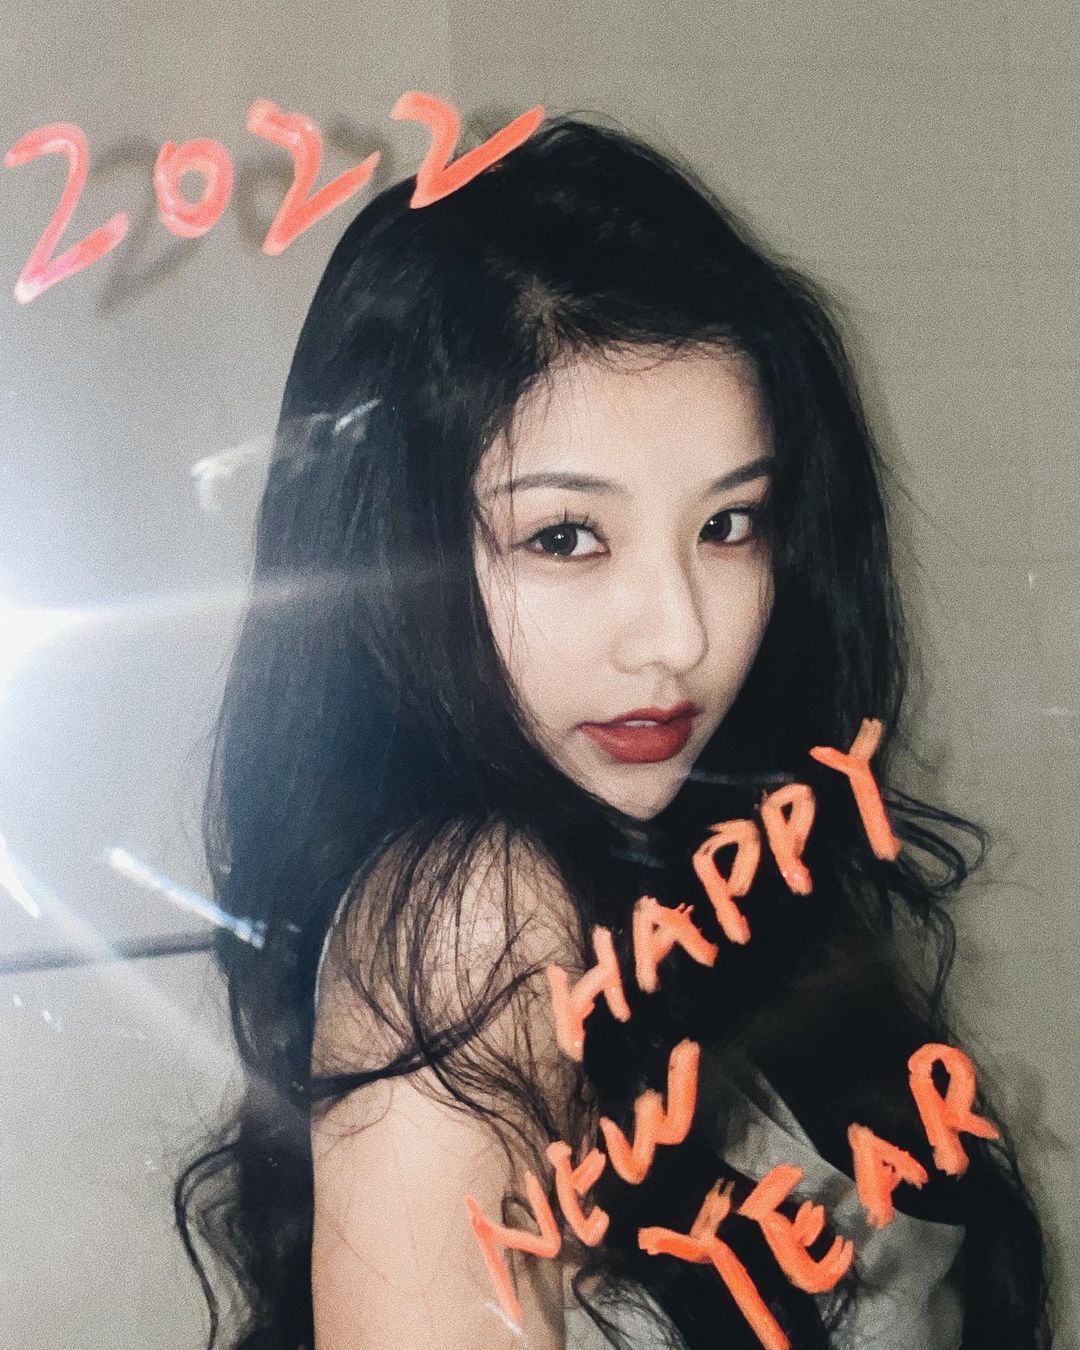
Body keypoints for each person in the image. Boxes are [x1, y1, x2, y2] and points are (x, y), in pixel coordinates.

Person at [175, 115, 1052, 1349]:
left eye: (729, 526)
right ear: (393, 558)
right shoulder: (471, 922)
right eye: (567, 537)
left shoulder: (701, 870)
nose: (678, 637)